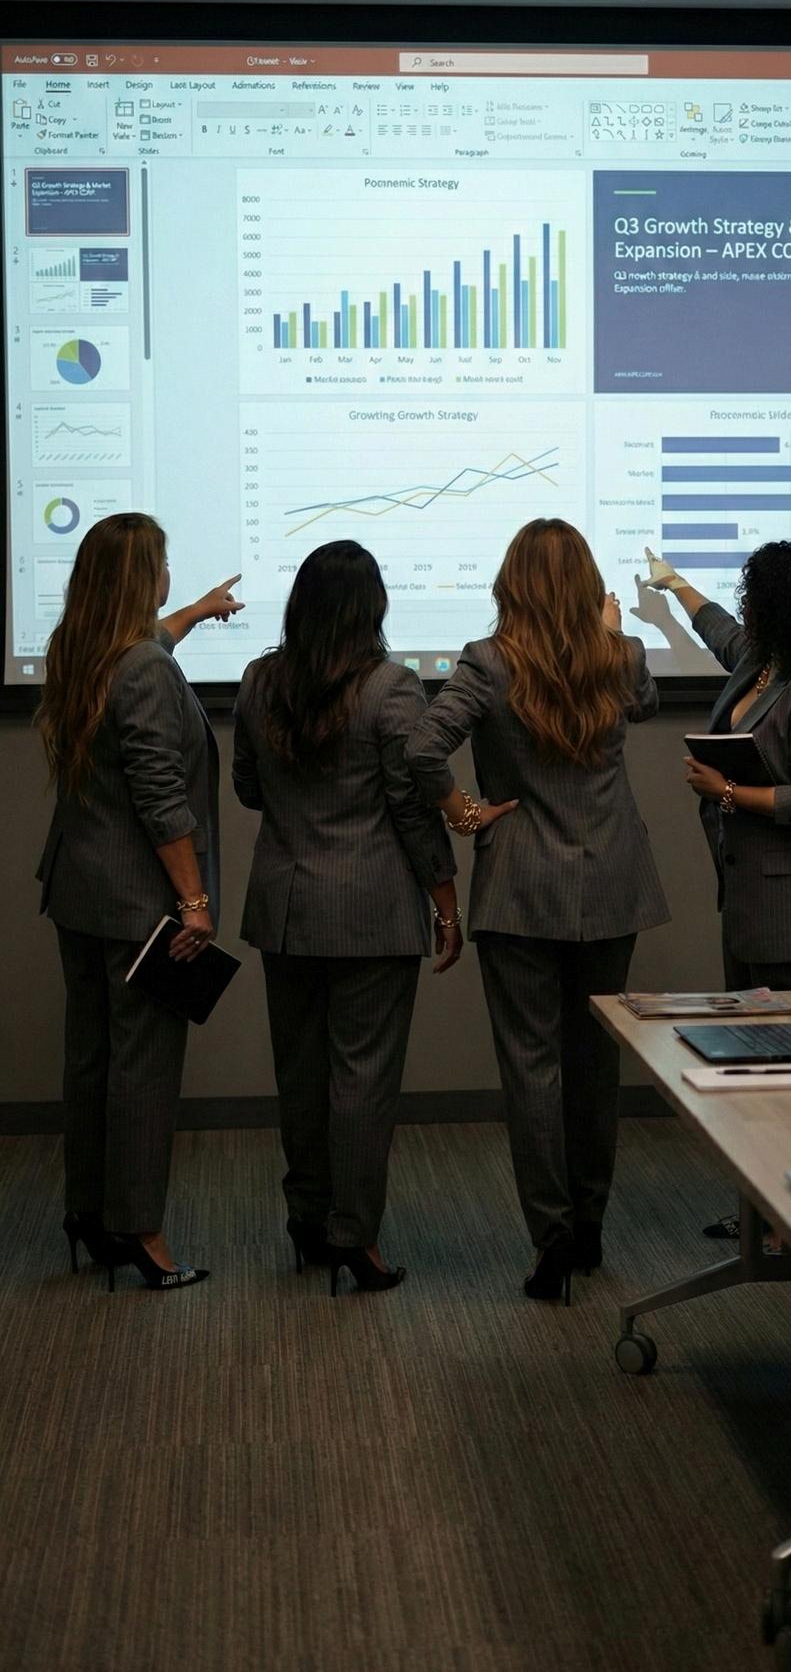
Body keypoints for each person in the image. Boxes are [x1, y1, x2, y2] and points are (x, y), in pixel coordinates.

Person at [406, 519, 669, 1306]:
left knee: (531, 1067)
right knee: (596, 1064)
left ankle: (550, 1239)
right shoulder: (620, 655)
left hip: (520, 886)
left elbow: (421, 748)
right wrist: (611, 633)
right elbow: (647, 703)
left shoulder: (487, 661)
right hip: (611, 881)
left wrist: (463, 812)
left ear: (510, 582)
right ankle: (590, 1226)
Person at [232, 541, 466, 1295]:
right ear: (373, 607)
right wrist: (445, 900)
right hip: (370, 909)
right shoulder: (392, 688)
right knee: (363, 1079)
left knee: (300, 1075)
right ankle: (354, 1238)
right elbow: (412, 807)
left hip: (285, 908)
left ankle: (307, 1221)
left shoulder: (258, 680)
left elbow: (247, 788)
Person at [36, 513, 242, 1290]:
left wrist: (195, 612)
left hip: (80, 891)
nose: (168, 575)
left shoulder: (79, 649)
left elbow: (150, 641)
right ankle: (142, 1234)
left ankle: (89, 1212)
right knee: (144, 1071)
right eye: (161, 563)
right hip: (139, 904)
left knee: (91, 1060)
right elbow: (161, 797)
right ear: (138, 578)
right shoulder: (145, 670)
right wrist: (194, 900)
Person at [643, 542, 791, 990]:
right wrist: (675, 583)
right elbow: (719, 629)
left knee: (790, 1032)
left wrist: (726, 792)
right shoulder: (762, 663)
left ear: (781, 609)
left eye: (753, 597)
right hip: (751, 906)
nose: (745, 605)